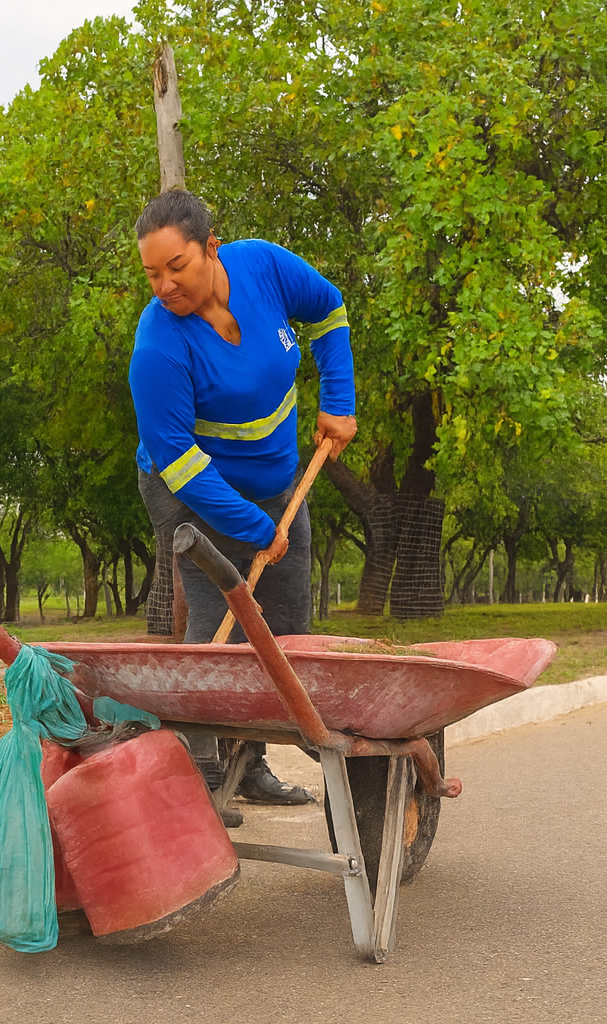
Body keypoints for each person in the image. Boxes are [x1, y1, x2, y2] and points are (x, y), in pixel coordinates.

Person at [128, 189, 357, 820]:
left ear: (211, 247)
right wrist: (254, 528)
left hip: (278, 479)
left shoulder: (264, 267)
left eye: (176, 266)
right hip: (192, 490)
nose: (163, 285)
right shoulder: (159, 348)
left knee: (283, 622)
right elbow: (180, 464)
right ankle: (197, 774)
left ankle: (249, 761)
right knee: (217, 621)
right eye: (151, 273)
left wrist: (339, 400)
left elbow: (330, 310)